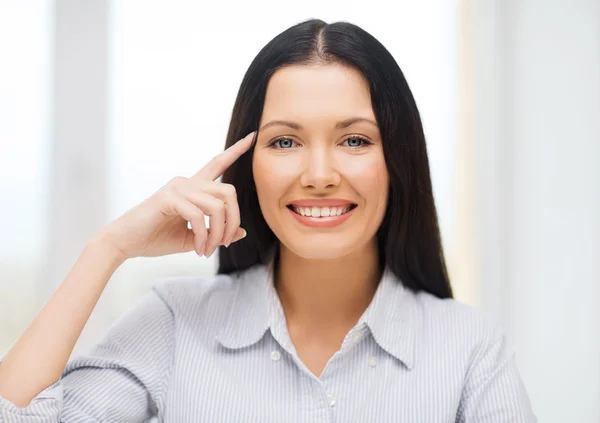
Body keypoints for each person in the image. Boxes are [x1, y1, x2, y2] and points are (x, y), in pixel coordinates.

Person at [0, 18, 536, 422]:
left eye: (354, 140)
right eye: (285, 141)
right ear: (248, 169)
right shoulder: (174, 324)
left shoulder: (469, 350)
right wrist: (108, 247)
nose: (319, 174)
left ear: (397, 160)